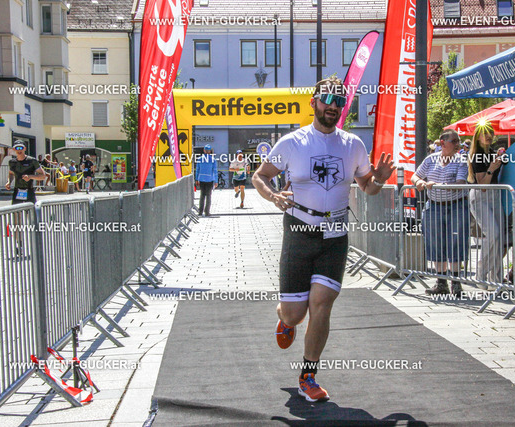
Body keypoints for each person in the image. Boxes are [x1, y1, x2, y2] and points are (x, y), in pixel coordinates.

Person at [252, 77, 395, 403]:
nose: (333, 105)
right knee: (295, 313)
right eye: (327, 99)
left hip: (335, 236)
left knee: (322, 304)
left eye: (340, 101)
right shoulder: (293, 142)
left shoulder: (352, 145)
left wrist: (379, 180)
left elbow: (368, 188)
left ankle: (308, 375)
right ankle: (285, 318)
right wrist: (273, 196)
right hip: (299, 231)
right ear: (314, 101)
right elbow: (260, 176)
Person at [411, 129, 469, 297]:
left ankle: (456, 282)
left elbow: (460, 183)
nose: (458, 144)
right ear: (443, 143)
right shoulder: (430, 159)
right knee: (435, 242)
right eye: (454, 141)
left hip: (456, 205)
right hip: (434, 206)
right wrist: (419, 181)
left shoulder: (461, 160)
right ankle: (441, 282)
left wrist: (437, 185)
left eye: (458, 141)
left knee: (457, 242)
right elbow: (415, 176)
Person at [467, 121, 506, 284]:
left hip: (495, 195)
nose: (488, 136)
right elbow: (482, 185)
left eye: (490, 132)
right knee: (493, 234)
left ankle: (496, 278)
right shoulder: (476, 156)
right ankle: (481, 273)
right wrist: (492, 168)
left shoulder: (492, 153)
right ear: (478, 137)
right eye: (485, 133)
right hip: (481, 197)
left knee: (499, 238)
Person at [5, 140, 46, 205]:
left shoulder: (32, 161)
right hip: (17, 191)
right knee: (16, 210)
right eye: (17, 148)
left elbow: (43, 176)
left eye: (21, 148)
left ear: (25, 149)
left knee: (31, 210)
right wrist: (9, 182)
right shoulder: (12, 162)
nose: (19, 150)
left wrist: (30, 177)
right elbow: (11, 173)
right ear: (14, 149)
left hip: (29, 190)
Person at [195, 144, 218, 216]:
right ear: (210, 151)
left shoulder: (199, 159)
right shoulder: (213, 160)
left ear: (204, 151)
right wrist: (216, 181)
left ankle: (200, 211)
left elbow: (197, 170)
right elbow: (215, 171)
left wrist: (196, 179)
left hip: (201, 179)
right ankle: (207, 212)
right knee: (208, 196)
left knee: (202, 195)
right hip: (209, 179)